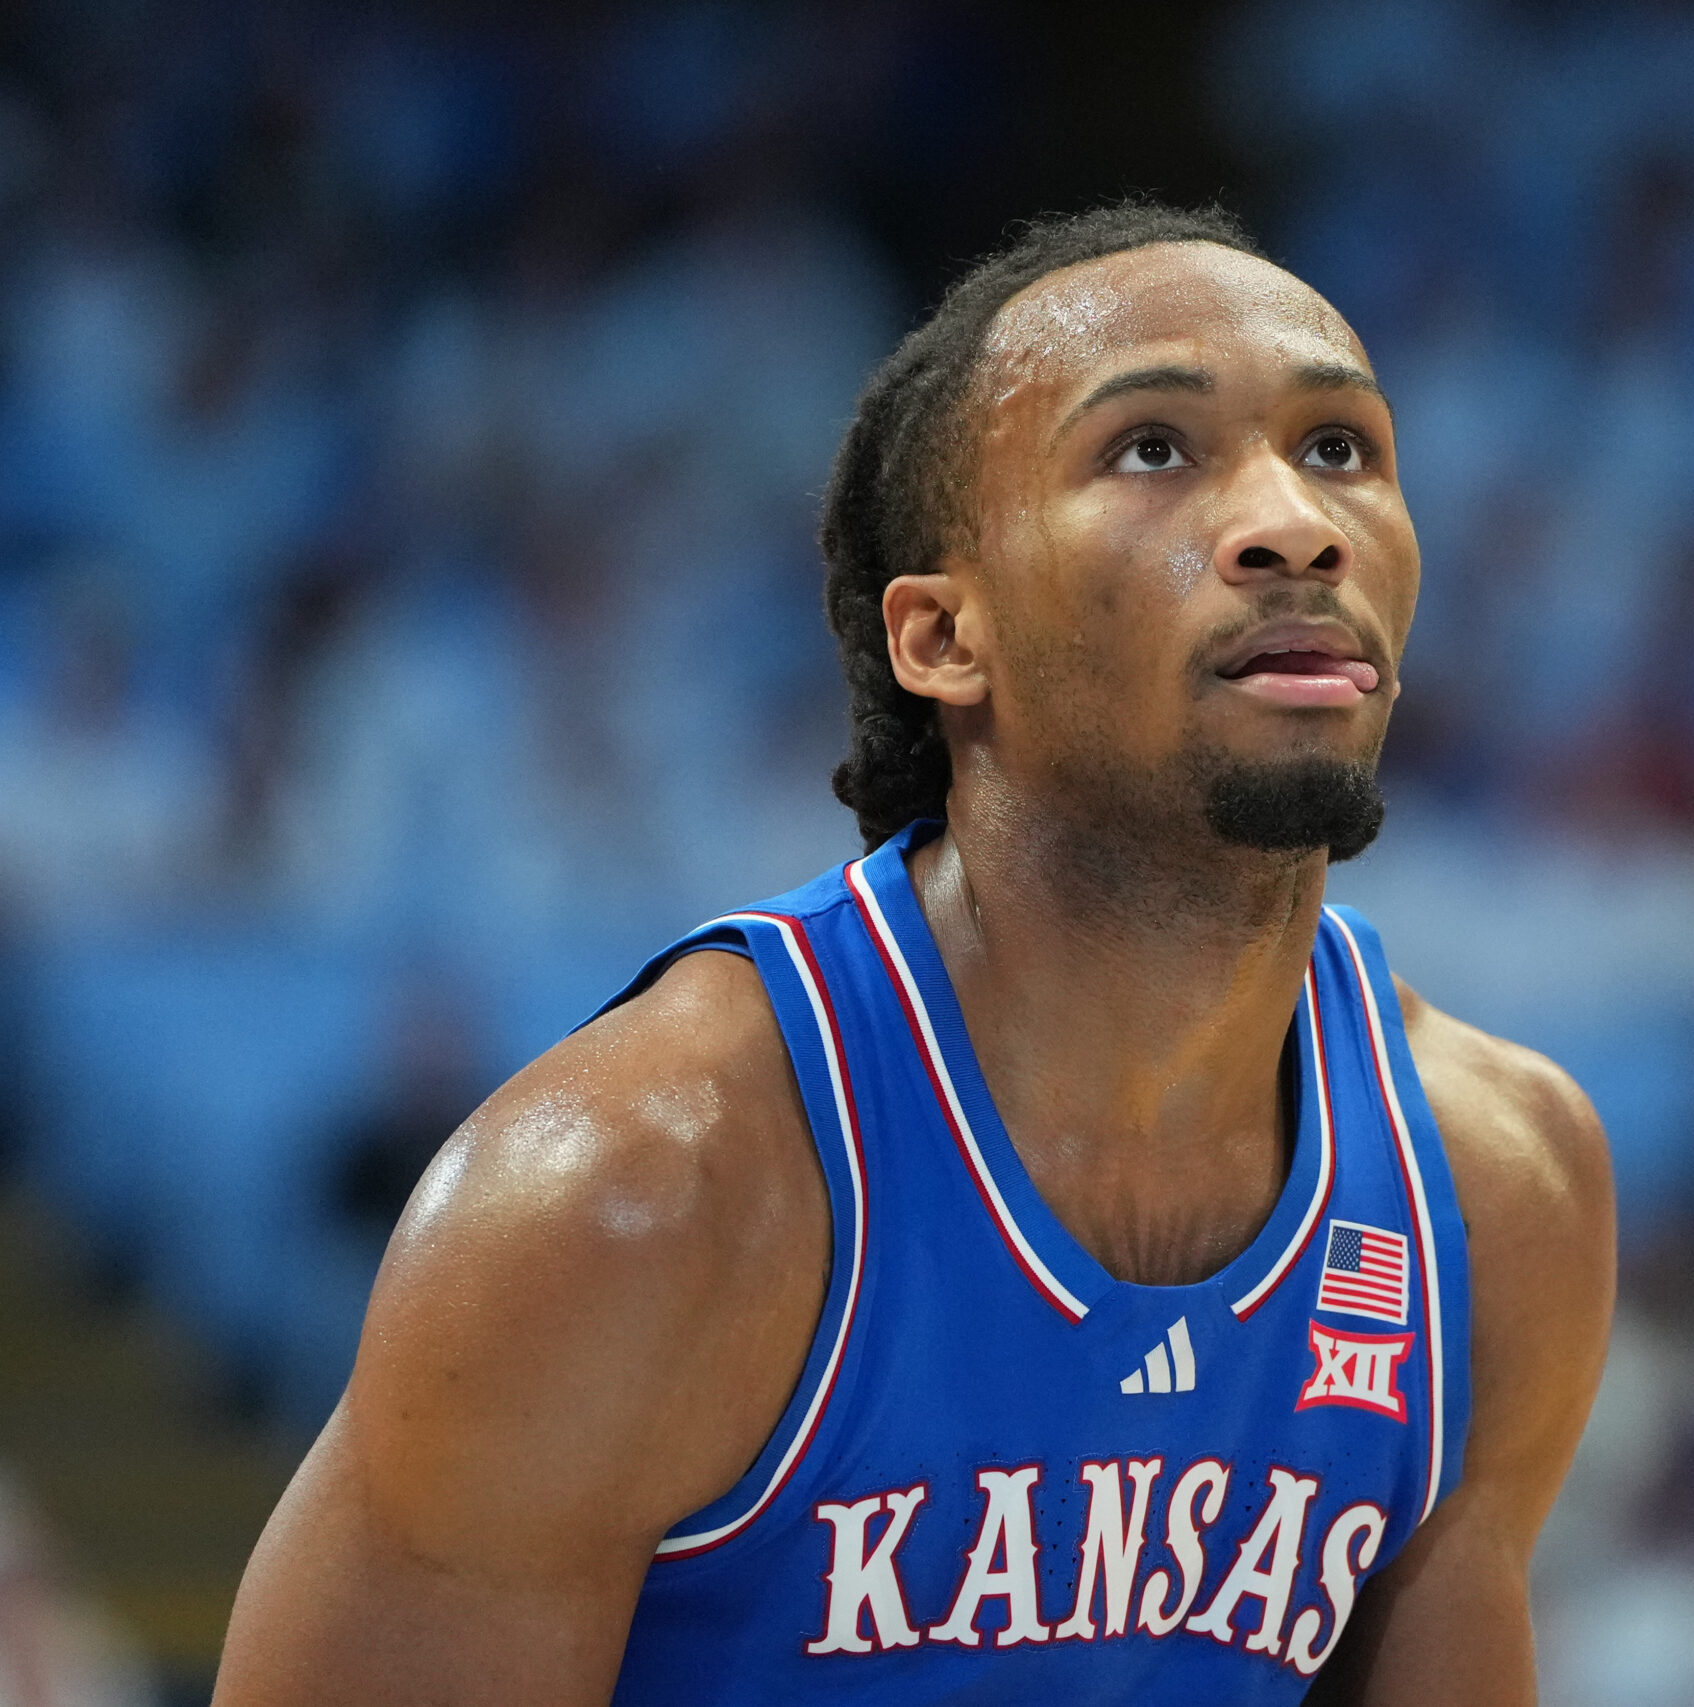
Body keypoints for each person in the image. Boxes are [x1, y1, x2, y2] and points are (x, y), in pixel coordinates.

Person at [209, 203, 1614, 1705]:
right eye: (1150, 448)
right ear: (944, 635)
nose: (1295, 520)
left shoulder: (1495, 1185)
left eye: (1339, 445)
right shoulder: (638, 1197)